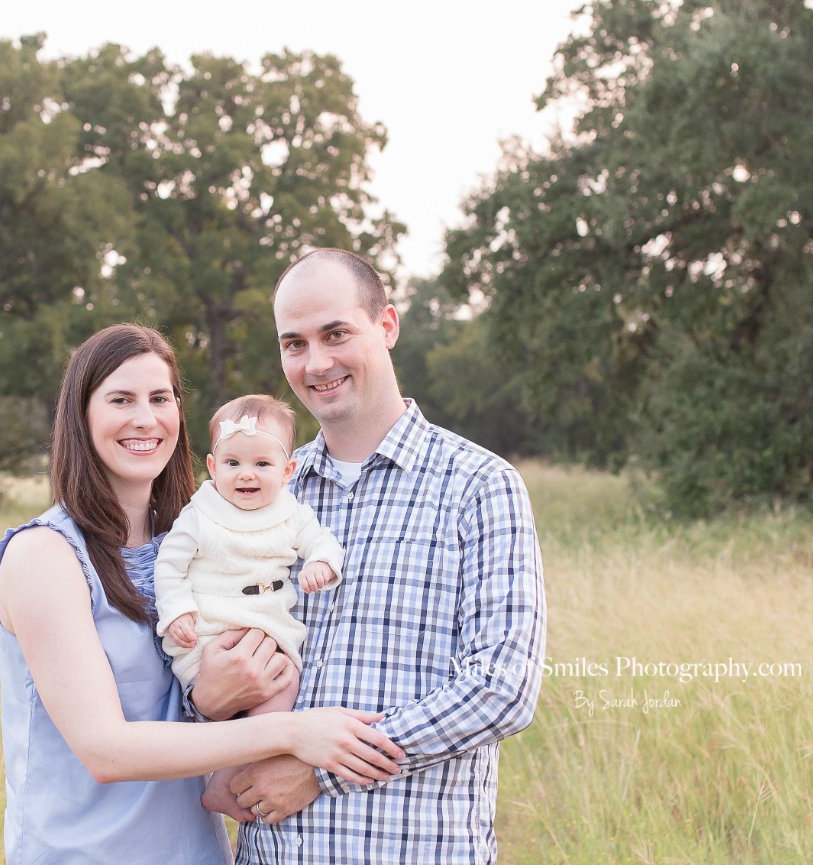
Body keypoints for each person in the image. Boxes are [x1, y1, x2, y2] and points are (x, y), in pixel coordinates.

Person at [0, 323, 405, 865]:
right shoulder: (46, 555)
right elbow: (105, 750)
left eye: (161, 398)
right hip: (84, 853)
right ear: (81, 416)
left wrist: (216, 697)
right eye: (120, 399)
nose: (145, 418)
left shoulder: (187, 543)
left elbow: (194, 708)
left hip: (194, 852)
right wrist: (295, 732)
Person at [191, 250, 547, 864]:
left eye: (336, 334)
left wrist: (320, 767)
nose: (317, 363)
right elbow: (217, 666)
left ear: (386, 326)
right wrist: (208, 700)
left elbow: (501, 687)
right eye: (294, 344)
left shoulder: (478, 484)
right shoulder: (265, 494)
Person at [154, 394, 345, 817]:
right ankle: (224, 775)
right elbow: (170, 563)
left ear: (288, 470)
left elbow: (322, 543)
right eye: (233, 463)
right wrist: (177, 611)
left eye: (262, 464)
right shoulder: (201, 512)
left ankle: (228, 780)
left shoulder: (291, 512)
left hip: (268, 627)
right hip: (208, 631)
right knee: (238, 696)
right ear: (212, 466)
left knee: (283, 686)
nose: (247, 475)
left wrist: (320, 563)